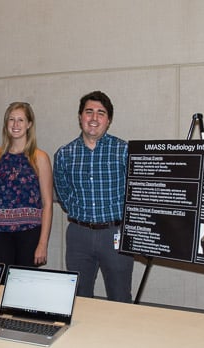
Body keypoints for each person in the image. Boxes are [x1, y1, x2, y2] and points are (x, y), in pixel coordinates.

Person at [53, 90, 133, 303]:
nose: (94, 118)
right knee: (79, 299)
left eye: (101, 113)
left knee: (120, 296)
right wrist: (79, 211)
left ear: (109, 120)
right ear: (80, 117)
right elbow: (63, 191)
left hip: (115, 234)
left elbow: (134, 192)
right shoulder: (64, 154)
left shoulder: (123, 150)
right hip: (79, 235)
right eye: (89, 112)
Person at [0, 102, 53, 272]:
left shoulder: (39, 158)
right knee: (1, 285)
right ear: (6, 123)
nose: (16, 124)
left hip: (29, 234)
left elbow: (48, 204)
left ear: (29, 124)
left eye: (20, 120)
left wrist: (42, 243)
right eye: (11, 119)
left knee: (24, 287)